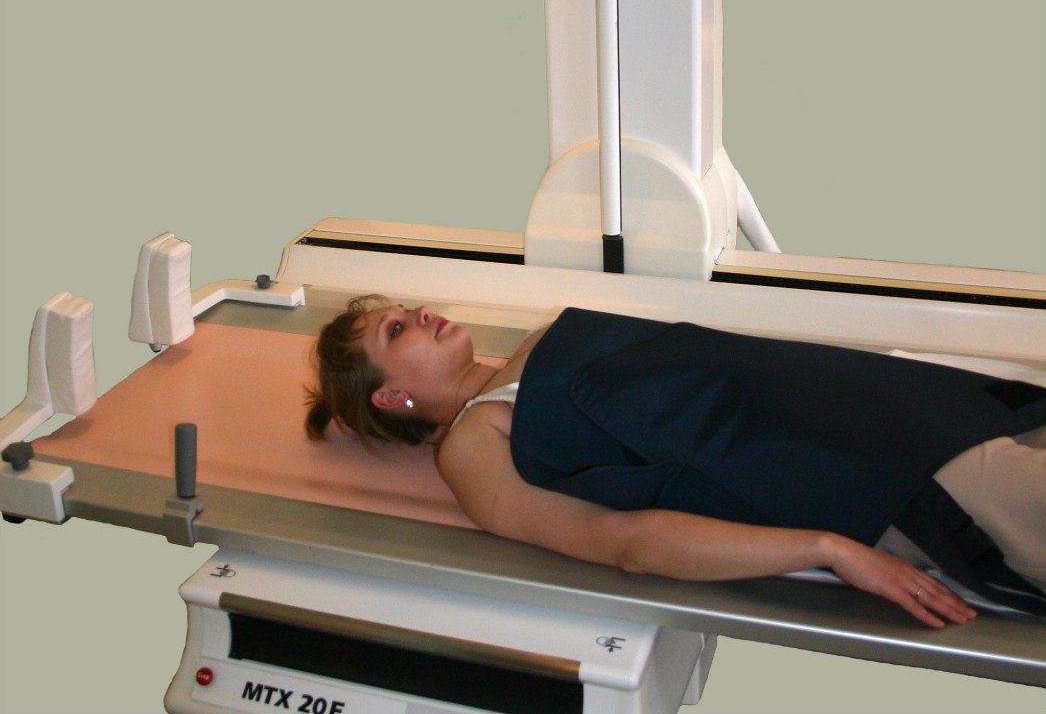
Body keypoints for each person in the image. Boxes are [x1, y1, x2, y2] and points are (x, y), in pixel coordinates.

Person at [306, 296, 1046, 627]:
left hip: (895, 400)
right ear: (392, 397)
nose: (421, 312)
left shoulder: (538, 339)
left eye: (405, 309)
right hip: (868, 475)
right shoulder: (472, 447)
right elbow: (627, 542)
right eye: (396, 329)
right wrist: (830, 549)